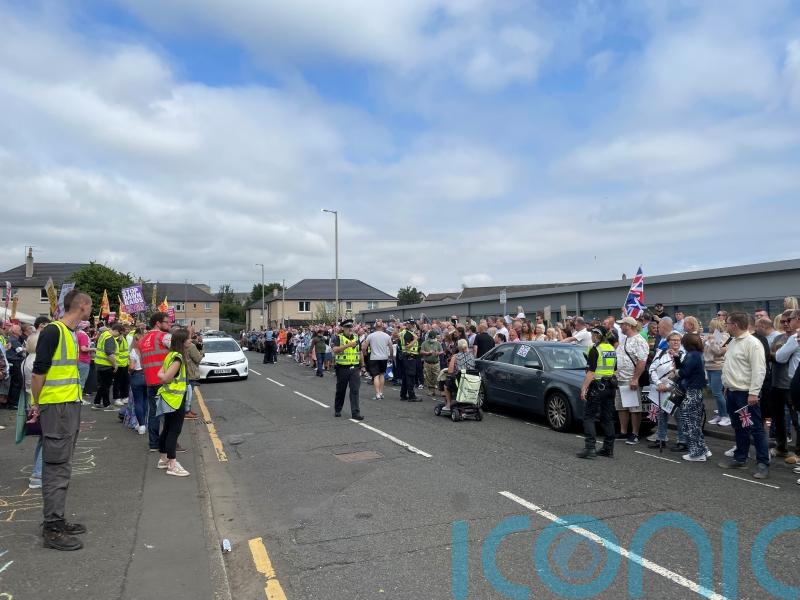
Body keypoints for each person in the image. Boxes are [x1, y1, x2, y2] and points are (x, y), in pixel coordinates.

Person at [30, 289, 92, 551]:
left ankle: (57, 519)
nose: (91, 310)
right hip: (57, 408)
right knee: (56, 466)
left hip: (67, 406)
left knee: (62, 465)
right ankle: (52, 528)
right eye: (90, 306)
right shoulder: (54, 331)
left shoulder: (68, 333)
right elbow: (38, 373)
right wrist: (37, 403)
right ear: (83, 306)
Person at [718, 312, 769, 479]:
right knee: (739, 427)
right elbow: (730, 365)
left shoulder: (753, 343)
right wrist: (727, 385)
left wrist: (754, 393)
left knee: (755, 428)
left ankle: (763, 463)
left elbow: (759, 370)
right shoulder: (733, 342)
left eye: (727, 323)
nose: (725, 326)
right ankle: (740, 458)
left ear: (735, 325)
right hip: (732, 392)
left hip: (746, 394)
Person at [576, 326, 618, 459]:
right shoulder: (611, 349)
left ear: (597, 335)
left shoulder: (595, 349)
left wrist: (584, 388)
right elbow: (615, 370)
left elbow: (591, 372)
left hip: (597, 387)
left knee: (589, 417)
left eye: (593, 334)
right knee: (607, 418)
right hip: (610, 387)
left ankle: (590, 448)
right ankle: (608, 448)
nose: (591, 336)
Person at [155, 328, 192, 477]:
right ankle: (172, 463)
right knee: (174, 430)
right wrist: (164, 377)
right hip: (175, 400)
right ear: (182, 341)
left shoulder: (170, 355)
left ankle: (163, 459)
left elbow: (160, 373)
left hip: (168, 397)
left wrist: (163, 376)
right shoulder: (178, 358)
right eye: (189, 338)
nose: (191, 340)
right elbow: (165, 378)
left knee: (167, 428)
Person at [140, 312, 172, 452]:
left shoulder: (143, 339)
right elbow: (178, 350)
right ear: (158, 323)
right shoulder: (164, 336)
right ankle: (169, 443)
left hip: (150, 381)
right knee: (168, 415)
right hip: (164, 381)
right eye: (167, 322)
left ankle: (153, 444)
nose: (169, 324)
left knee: (153, 414)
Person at [676, 333, 711, 461]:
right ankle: (702, 449)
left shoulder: (692, 355)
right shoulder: (698, 354)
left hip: (691, 391)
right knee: (694, 422)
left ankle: (697, 453)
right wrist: (676, 359)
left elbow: (684, 371)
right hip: (696, 391)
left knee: (689, 422)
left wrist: (675, 372)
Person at [614, 317, 648, 445]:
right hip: (620, 378)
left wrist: (635, 379)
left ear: (628, 325)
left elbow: (642, 361)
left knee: (634, 407)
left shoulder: (639, 340)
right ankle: (623, 431)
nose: (620, 326)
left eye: (622, 324)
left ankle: (635, 433)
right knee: (621, 407)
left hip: (630, 379)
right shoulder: (625, 339)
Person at [332, 320, 364, 419]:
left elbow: (360, 352)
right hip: (342, 368)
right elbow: (335, 350)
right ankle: (338, 409)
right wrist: (348, 345)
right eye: (348, 327)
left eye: (351, 327)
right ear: (343, 328)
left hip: (354, 368)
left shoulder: (356, 337)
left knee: (355, 390)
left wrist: (363, 365)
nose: (350, 329)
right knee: (341, 391)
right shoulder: (338, 337)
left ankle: (355, 413)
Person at [704, 318, 730, 427]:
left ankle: (726, 416)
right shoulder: (712, 336)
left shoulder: (721, 336)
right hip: (709, 367)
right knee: (715, 393)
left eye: (710, 325)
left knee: (718, 393)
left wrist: (710, 341)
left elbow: (718, 351)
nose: (708, 327)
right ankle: (720, 414)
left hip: (717, 367)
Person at [442, 338, 476, 413]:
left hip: (460, 382)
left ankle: (448, 405)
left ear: (458, 347)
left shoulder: (455, 356)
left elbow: (450, 371)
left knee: (446, 385)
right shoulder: (472, 356)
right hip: (470, 381)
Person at [92, 324, 121, 411]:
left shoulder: (104, 334)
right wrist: (115, 364)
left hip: (100, 363)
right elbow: (109, 353)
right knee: (106, 386)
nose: (119, 335)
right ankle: (107, 404)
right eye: (119, 333)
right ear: (116, 330)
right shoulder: (109, 337)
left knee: (103, 385)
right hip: (106, 365)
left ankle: (97, 403)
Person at [363, 322, 393, 398]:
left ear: (375, 327)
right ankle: (381, 392)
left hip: (374, 357)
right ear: (382, 327)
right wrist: (391, 356)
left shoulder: (370, 335)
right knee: (382, 374)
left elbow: (364, 347)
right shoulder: (387, 336)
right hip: (384, 357)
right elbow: (391, 347)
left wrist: (364, 353)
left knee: (376, 376)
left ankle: (377, 394)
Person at [128, 329, 147, 434]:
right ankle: (143, 423)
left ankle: (141, 425)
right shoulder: (148, 351)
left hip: (137, 376)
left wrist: (129, 371)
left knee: (138, 401)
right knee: (145, 400)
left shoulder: (133, 351)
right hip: (147, 376)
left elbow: (132, 367)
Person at [399, 321, 420, 401]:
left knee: (405, 377)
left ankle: (403, 395)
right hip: (409, 356)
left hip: (406, 356)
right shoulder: (408, 333)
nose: (415, 327)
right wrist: (415, 339)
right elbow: (407, 346)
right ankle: (412, 396)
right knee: (410, 376)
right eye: (414, 325)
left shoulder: (405, 332)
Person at [420, 331, 443, 398]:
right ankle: (431, 390)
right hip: (427, 363)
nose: (432, 339)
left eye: (433, 338)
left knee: (437, 377)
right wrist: (427, 353)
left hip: (436, 363)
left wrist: (438, 353)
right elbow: (421, 351)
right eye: (431, 338)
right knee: (428, 377)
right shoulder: (424, 343)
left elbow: (441, 351)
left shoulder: (438, 343)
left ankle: (439, 389)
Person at [112, 324, 130, 407]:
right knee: (117, 382)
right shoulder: (118, 338)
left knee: (125, 381)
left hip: (125, 363)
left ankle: (124, 396)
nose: (127, 331)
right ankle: (117, 398)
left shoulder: (124, 337)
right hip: (119, 363)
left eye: (127, 329)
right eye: (125, 329)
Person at [76, 321, 93, 401]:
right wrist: (94, 349)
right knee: (82, 380)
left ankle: (77, 397)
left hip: (77, 359)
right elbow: (83, 348)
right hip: (84, 360)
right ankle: (79, 399)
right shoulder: (83, 335)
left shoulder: (77, 334)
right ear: (87, 327)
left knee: (77, 380)